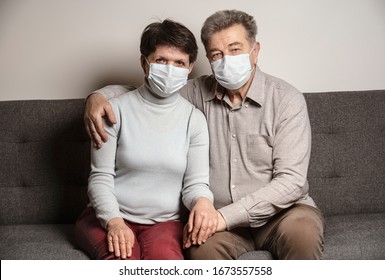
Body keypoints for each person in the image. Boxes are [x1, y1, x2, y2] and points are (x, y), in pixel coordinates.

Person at [85, 10, 325, 260]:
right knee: (200, 251)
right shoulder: (195, 92)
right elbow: (146, 93)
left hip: (281, 214)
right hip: (217, 219)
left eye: (235, 49)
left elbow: (292, 181)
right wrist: (97, 97)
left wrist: (223, 217)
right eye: (216, 54)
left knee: (303, 233)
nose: (226, 60)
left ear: (255, 51)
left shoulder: (287, 100)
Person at [75, 19, 218, 260]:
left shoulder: (194, 120)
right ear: (144, 62)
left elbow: (195, 184)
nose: (170, 68)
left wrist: (203, 202)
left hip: (165, 224)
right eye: (161, 60)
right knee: (122, 260)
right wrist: (114, 221)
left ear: (190, 67)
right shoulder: (114, 111)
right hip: (110, 215)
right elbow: (100, 177)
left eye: (179, 62)